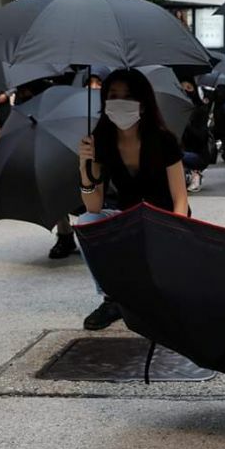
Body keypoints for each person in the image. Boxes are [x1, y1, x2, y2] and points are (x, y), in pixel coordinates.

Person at [76, 68, 190, 331]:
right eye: (113, 95)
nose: (120, 102)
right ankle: (111, 299)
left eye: (128, 96)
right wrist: (84, 165)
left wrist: (175, 232)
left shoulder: (163, 140)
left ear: (142, 102)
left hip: (165, 220)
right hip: (128, 218)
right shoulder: (101, 142)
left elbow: (181, 199)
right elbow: (94, 206)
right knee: (86, 221)